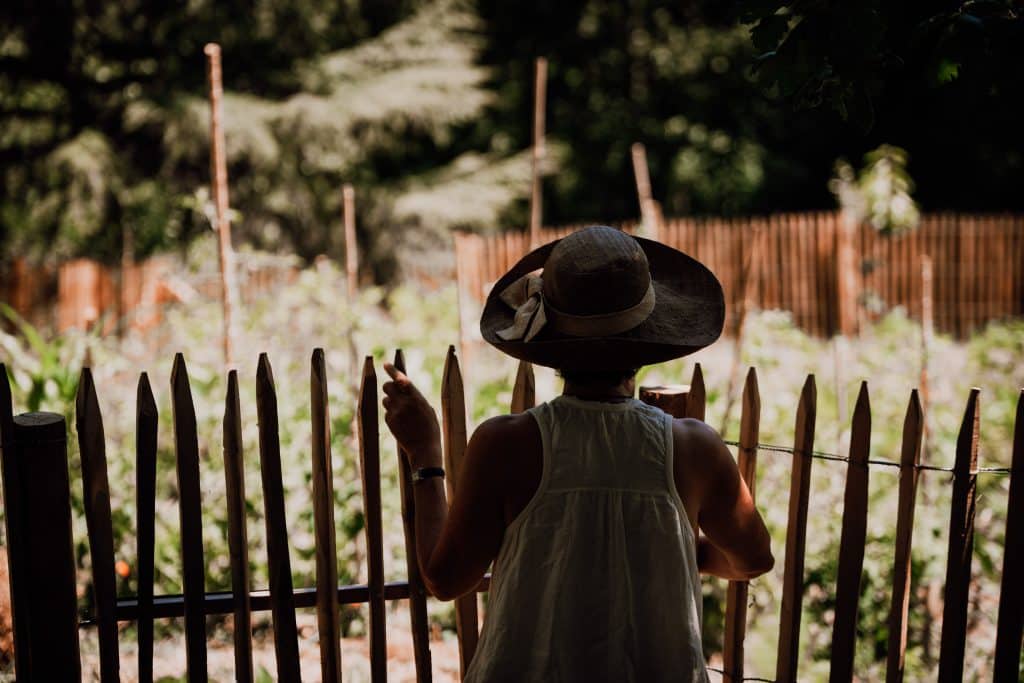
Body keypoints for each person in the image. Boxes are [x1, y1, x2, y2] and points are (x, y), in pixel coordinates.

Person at [382, 225, 773, 682]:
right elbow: (752, 559)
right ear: (647, 338)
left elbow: (445, 580)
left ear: (550, 343)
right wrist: (688, 548)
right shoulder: (695, 447)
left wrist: (425, 452)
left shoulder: (505, 443)